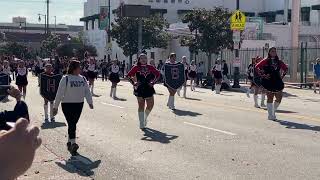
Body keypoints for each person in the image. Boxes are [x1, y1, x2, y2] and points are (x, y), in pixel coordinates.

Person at [53, 60, 93, 156]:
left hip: (79, 104)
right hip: (67, 104)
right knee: (72, 123)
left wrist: (90, 102)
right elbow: (59, 93)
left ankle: (69, 142)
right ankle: (73, 143)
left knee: (73, 123)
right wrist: (55, 107)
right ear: (74, 68)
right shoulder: (65, 78)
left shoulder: (82, 78)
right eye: (79, 67)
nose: (81, 68)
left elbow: (87, 91)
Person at [127, 54, 160, 130]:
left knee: (151, 105)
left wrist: (153, 82)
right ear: (139, 59)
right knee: (141, 106)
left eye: (145, 58)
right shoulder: (136, 67)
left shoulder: (150, 67)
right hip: (140, 89)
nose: (143, 59)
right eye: (141, 58)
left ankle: (144, 117)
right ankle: (141, 123)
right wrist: (134, 83)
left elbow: (158, 75)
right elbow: (128, 76)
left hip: (149, 88)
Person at [256, 47, 288, 120]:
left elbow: (285, 68)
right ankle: (270, 115)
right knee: (270, 97)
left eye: (275, 51)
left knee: (279, 98)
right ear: (269, 52)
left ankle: (273, 111)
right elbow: (257, 67)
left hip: (277, 81)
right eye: (272, 51)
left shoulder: (279, 61)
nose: (274, 52)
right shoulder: (265, 60)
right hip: (268, 81)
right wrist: (263, 75)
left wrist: (282, 76)